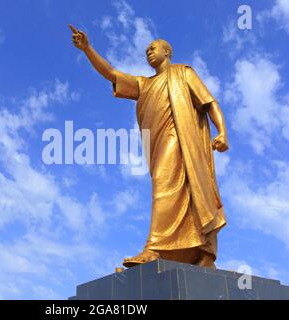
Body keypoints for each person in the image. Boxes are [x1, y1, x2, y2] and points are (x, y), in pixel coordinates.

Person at [69, 25, 228, 268]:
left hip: (183, 140)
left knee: (170, 188)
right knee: (166, 188)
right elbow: (111, 73)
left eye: (153, 48)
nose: (148, 52)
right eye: (146, 51)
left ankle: (155, 248)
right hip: (157, 145)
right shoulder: (144, 84)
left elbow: (208, 101)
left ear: (167, 51)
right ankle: (192, 251)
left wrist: (222, 131)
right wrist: (87, 48)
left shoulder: (184, 73)